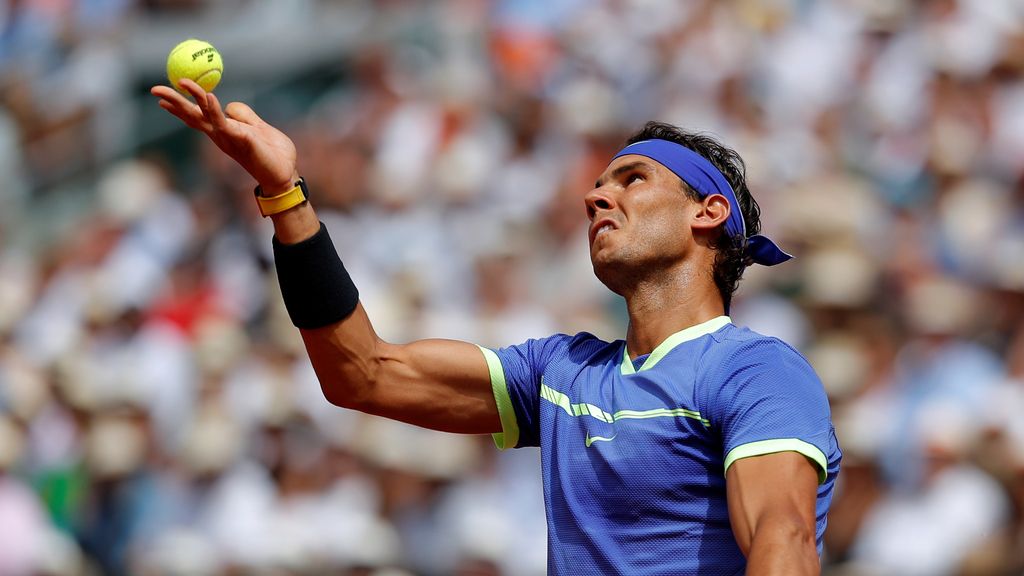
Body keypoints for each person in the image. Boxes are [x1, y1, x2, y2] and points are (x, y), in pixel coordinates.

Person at [152, 78, 841, 575]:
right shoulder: (563, 370)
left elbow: (784, 544)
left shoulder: (754, 370)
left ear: (708, 212)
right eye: (600, 182)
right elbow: (362, 373)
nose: (596, 194)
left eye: (631, 179)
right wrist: (284, 196)